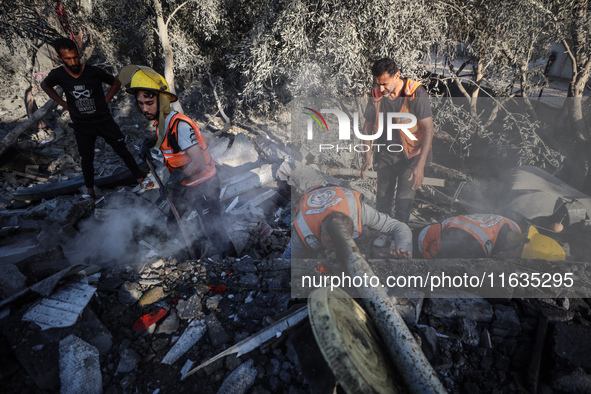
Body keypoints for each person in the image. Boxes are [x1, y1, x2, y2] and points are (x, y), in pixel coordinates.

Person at [122, 65, 236, 258]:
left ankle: (235, 262)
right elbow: (166, 140)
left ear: (162, 100)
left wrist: (176, 178)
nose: (144, 108)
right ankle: (197, 251)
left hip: (203, 184)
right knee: (174, 223)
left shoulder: (180, 125)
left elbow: (198, 161)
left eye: (149, 102)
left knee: (213, 227)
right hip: (184, 183)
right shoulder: (162, 122)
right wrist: (149, 142)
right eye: (140, 103)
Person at [41, 38, 144, 199]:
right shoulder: (58, 75)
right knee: (87, 158)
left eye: (76, 57)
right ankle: (90, 192)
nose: (73, 61)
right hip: (82, 125)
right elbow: (45, 85)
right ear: (59, 58)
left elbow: (116, 83)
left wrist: (105, 100)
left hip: (104, 121)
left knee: (122, 151)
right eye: (68, 59)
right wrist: (63, 103)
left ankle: (141, 181)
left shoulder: (93, 71)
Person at [361, 58, 434, 223]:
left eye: (385, 84)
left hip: (412, 156)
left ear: (397, 76)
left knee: (403, 203)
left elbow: (429, 130)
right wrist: (368, 156)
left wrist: (420, 166)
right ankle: (383, 234)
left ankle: (400, 243)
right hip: (387, 153)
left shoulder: (416, 92)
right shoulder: (377, 94)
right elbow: (367, 126)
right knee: (382, 201)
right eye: (377, 83)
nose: (381, 88)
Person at [283, 185, 413, 259]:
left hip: (338, 194)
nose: (334, 249)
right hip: (312, 194)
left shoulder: (357, 210)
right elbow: (288, 263)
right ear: (321, 235)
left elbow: (400, 227)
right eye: (330, 243)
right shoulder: (305, 230)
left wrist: (401, 250)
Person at [416, 214, 565, 261]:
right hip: (429, 242)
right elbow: (441, 269)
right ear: (514, 248)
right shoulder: (476, 249)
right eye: (518, 258)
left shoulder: (514, 227)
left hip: (448, 228)